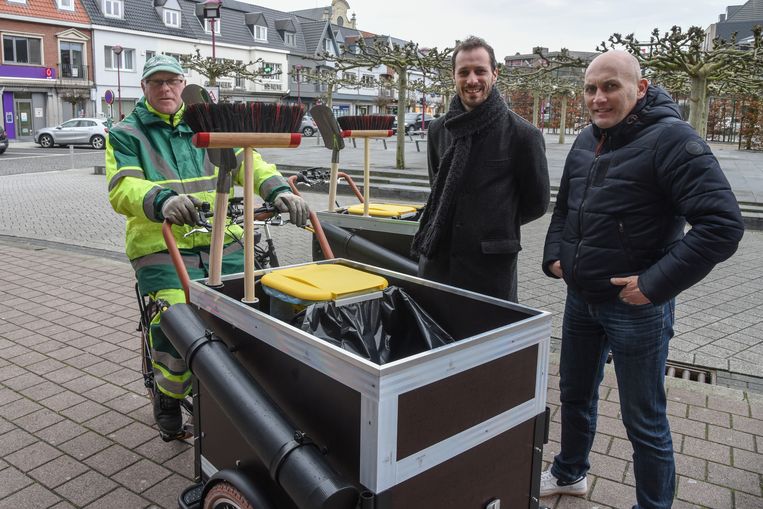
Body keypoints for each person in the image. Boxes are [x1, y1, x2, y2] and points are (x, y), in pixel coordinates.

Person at [541, 51, 744, 508]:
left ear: (641, 87)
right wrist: (556, 255)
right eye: (591, 88)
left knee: (643, 418)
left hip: (636, 308)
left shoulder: (673, 140)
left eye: (611, 86)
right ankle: (570, 473)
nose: (598, 98)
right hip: (581, 298)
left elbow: (722, 225)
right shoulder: (585, 140)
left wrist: (653, 284)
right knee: (574, 394)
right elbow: (566, 208)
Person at [106, 55, 309, 439]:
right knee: (176, 319)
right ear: (144, 88)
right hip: (161, 246)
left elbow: (254, 161)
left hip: (223, 239)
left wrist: (279, 190)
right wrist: (161, 200)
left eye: (172, 81)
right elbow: (122, 187)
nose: (165, 89)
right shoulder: (126, 133)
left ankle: (239, 393)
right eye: (156, 82)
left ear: (183, 84)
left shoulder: (208, 123)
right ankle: (168, 393)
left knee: (244, 311)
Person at [411, 36, 549, 301]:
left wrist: (491, 222)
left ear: (495, 74)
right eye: (464, 72)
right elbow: (436, 187)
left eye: (480, 71)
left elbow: (537, 204)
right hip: (438, 261)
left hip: (490, 267)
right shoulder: (439, 129)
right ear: (454, 76)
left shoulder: (523, 135)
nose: (472, 80)